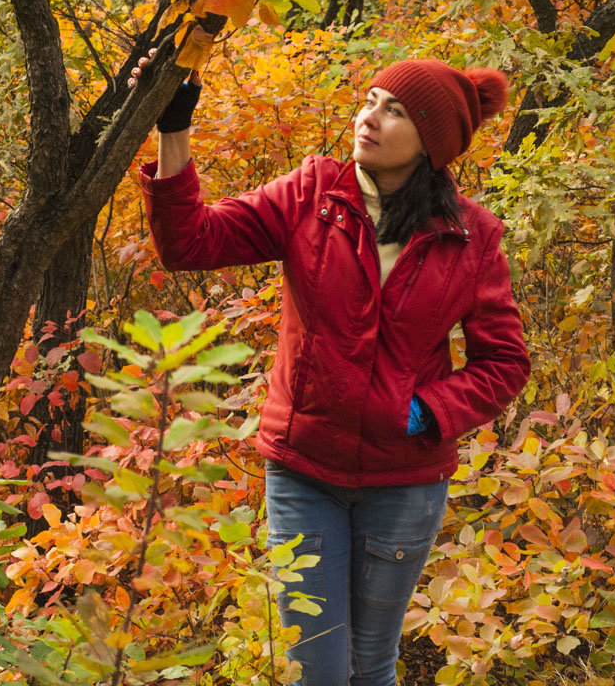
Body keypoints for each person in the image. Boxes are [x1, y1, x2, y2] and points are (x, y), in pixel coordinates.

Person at [138, 59, 530, 686]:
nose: (368, 118)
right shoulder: (312, 193)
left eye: (394, 109)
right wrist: (173, 130)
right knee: (316, 669)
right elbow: (191, 242)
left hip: (403, 483)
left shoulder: (470, 236)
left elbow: (505, 362)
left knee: (372, 665)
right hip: (304, 472)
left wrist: (426, 410)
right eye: (370, 100)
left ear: (433, 141)